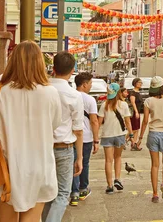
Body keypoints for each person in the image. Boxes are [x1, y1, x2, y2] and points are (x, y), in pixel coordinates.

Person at [0, 41, 62, 222]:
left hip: (8, 169)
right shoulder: (50, 93)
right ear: (40, 63)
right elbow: (55, 124)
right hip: (40, 167)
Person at [43, 52, 84, 222]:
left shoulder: (42, 90)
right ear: (72, 70)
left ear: (53, 68)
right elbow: (78, 130)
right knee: (62, 194)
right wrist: (79, 157)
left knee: (45, 193)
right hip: (64, 149)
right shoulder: (74, 95)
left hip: (43, 149)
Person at [138, 76, 163, 203]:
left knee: (154, 165)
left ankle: (154, 194)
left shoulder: (148, 101)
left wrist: (140, 138)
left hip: (153, 133)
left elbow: (145, 121)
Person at [98, 83, 134, 194]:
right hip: (120, 134)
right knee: (118, 158)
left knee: (108, 161)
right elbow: (127, 121)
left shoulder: (104, 105)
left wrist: (94, 136)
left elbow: (99, 122)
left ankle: (109, 186)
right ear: (119, 93)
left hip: (107, 135)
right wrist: (131, 135)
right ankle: (117, 179)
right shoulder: (123, 105)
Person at [70, 72, 100, 206]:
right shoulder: (90, 100)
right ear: (84, 84)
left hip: (70, 136)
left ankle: (74, 193)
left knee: (73, 163)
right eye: (90, 84)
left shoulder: (70, 96)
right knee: (84, 163)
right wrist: (96, 139)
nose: (91, 86)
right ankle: (83, 189)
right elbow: (94, 121)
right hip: (86, 137)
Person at [129, 78, 144, 151]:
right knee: (133, 129)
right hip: (134, 112)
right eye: (139, 82)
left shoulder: (138, 92)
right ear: (135, 83)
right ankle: (123, 141)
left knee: (137, 129)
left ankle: (134, 144)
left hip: (138, 111)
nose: (140, 84)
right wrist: (136, 112)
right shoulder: (132, 92)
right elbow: (133, 102)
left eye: (141, 82)